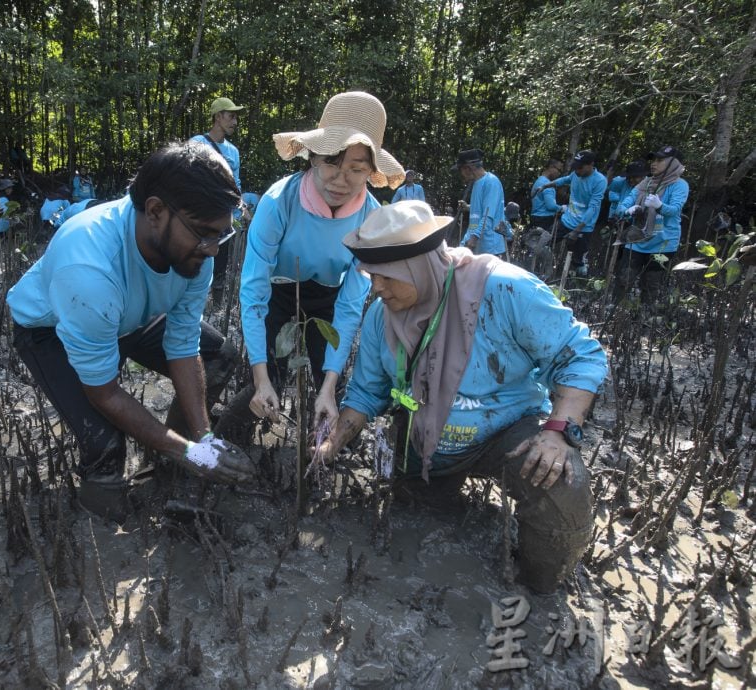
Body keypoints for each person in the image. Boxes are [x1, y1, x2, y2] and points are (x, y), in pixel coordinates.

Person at [316, 201, 608, 593]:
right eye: (370, 276)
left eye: (386, 277)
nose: (376, 288)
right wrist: (333, 440)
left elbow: (579, 353)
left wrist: (558, 432)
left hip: (505, 429)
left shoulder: (505, 288)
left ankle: (538, 589)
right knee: (420, 519)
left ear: (419, 265)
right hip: (420, 438)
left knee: (561, 487)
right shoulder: (379, 317)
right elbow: (367, 394)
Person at [8, 142, 255, 522]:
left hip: (128, 316)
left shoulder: (196, 250)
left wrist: (204, 440)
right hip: (51, 330)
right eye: (205, 235)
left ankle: (173, 459)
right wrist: (187, 451)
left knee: (218, 355)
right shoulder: (88, 269)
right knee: (106, 442)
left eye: (220, 236)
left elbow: (183, 344)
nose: (212, 251)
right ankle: (104, 521)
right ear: (155, 211)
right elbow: (105, 393)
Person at [216, 91, 404, 441]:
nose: (340, 179)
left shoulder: (371, 220)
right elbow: (254, 291)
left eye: (356, 169)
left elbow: (350, 306)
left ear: (370, 172)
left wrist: (330, 385)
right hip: (277, 290)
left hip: (329, 299)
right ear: (312, 157)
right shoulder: (278, 202)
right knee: (266, 379)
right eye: (331, 162)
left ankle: (324, 453)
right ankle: (218, 449)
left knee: (331, 384)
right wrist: (261, 379)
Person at [613, 146, 690, 303]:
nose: (654, 164)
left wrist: (659, 205)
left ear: (673, 163)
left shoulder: (680, 185)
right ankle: (615, 311)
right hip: (636, 240)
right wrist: (627, 210)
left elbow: (675, 210)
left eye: (660, 160)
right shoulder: (646, 183)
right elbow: (624, 204)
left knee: (650, 284)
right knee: (623, 278)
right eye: (653, 160)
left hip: (663, 243)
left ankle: (644, 318)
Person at [192, 97, 246, 302]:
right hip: (198, 215)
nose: (235, 122)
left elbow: (236, 183)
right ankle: (191, 300)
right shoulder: (197, 143)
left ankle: (216, 305)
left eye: (236, 117)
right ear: (217, 117)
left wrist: (240, 207)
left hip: (223, 216)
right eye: (231, 116)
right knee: (194, 257)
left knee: (220, 259)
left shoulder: (233, 151)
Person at [536, 150, 607, 275]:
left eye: (580, 168)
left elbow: (593, 207)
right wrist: (545, 186)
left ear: (591, 165)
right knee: (543, 242)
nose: (577, 171)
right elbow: (564, 180)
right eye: (576, 168)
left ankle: (574, 286)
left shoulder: (600, 181)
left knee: (578, 263)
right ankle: (543, 272)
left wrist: (577, 230)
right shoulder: (575, 174)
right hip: (566, 220)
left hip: (583, 227)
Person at [454, 149, 507, 258]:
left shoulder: (491, 182)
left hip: (490, 248)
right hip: (478, 245)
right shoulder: (477, 183)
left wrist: (474, 238)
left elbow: (488, 216)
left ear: (468, 168)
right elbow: (479, 210)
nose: (461, 175)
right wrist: (467, 207)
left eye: (461, 170)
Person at [530, 158, 563, 231]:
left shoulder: (538, 181)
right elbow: (550, 206)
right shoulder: (547, 184)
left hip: (535, 218)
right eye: (559, 170)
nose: (559, 173)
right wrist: (562, 208)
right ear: (551, 167)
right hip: (544, 220)